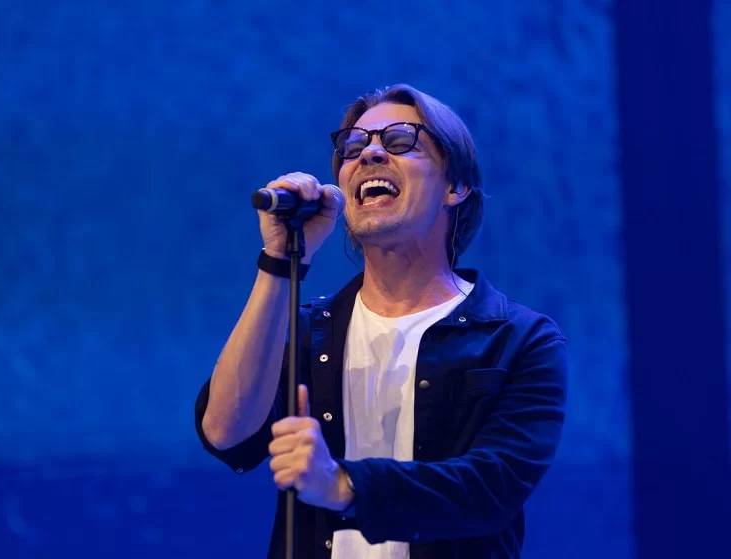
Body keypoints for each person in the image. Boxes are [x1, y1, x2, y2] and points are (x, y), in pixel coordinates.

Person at [193, 83, 568, 559]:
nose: (368, 153)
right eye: (353, 146)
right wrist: (281, 260)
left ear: (455, 187)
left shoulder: (518, 340)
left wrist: (340, 483)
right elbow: (226, 434)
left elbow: (491, 489)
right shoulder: (311, 331)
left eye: (400, 140)